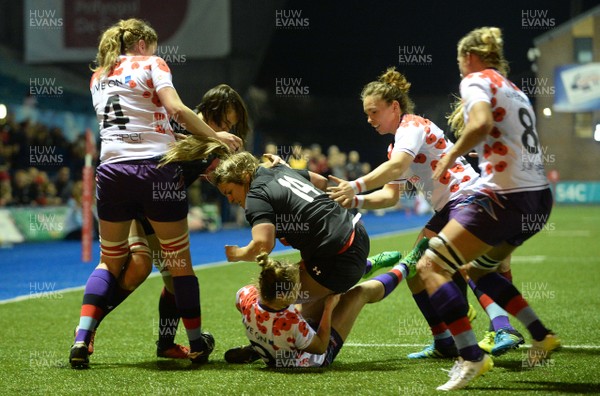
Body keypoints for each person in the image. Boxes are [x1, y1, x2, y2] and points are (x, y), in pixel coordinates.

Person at [69, 18, 242, 368]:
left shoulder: (98, 75)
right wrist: (215, 137)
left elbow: (142, 121)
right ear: (144, 44)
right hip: (154, 174)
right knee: (177, 265)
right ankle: (196, 344)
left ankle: (82, 336)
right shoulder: (152, 64)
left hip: (112, 171)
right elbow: (176, 110)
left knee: (112, 262)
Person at [327, 66, 524, 362]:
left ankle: (503, 328)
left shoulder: (412, 126)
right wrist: (353, 200)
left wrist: (355, 185)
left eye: (373, 112)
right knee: (416, 272)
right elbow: (390, 196)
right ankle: (444, 341)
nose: (369, 120)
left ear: (394, 107)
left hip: (468, 197)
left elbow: (394, 169)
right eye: (367, 114)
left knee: (463, 264)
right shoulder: (397, 144)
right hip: (450, 207)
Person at [419, 27, 558, 390]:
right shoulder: (514, 90)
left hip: (503, 196)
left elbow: (480, 124)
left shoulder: (476, 79)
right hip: (538, 197)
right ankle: (541, 335)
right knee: (479, 270)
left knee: (431, 265)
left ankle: (471, 357)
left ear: (469, 58)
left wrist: (450, 153)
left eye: (459, 61)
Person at [211, 151, 401, 363]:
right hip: (352, 231)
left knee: (280, 298)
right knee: (296, 306)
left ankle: (403, 267)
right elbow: (320, 181)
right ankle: (364, 266)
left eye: (229, 191)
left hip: (337, 256)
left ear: (245, 177)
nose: (229, 199)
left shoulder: (256, 194)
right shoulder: (279, 168)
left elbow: (262, 245)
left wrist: (237, 254)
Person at [234, 247, 423, 368]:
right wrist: (328, 309)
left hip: (285, 343)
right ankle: (406, 266)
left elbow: (246, 307)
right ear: (282, 295)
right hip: (314, 355)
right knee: (357, 295)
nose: (299, 290)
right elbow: (320, 346)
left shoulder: (246, 296)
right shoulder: (290, 321)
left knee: (324, 289)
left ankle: (366, 266)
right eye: (295, 289)